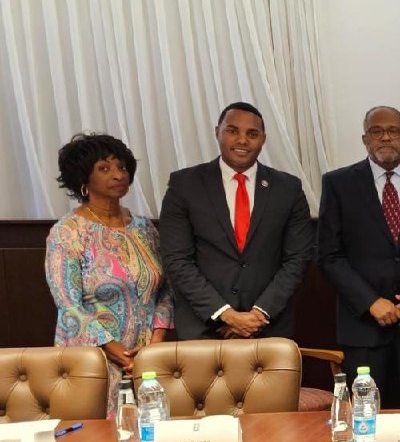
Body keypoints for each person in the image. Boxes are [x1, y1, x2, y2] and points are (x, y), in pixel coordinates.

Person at [159, 102, 313, 340]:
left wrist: (259, 313)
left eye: (252, 134)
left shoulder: (288, 188)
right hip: (204, 328)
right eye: (232, 130)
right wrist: (224, 314)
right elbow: (177, 259)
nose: (242, 140)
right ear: (217, 132)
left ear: (263, 139)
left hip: (267, 328)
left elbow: (297, 258)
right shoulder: (184, 185)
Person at [46, 133, 173, 417]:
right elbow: (68, 305)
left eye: (123, 167)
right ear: (83, 180)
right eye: (105, 169)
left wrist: (156, 344)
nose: (118, 175)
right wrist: (114, 349)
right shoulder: (68, 232)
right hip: (94, 361)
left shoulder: (144, 228)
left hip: (149, 361)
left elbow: (164, 290)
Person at [318, 106, 400, 409]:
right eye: (376, 131)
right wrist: (370, 302)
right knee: (367, 420)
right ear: (364, 139)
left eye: (393, 130)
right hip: (363, 330)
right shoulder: (338, 184)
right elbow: (329, 256)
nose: (385, 137)